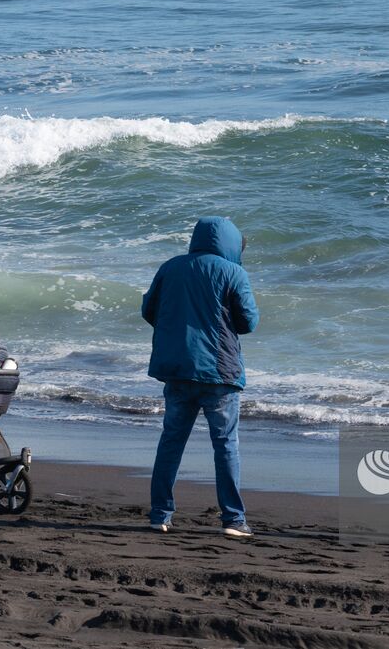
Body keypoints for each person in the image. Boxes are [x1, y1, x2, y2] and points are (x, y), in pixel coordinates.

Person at [142, 216, 259, 538]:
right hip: (220, 374)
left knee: (171, 442)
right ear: (232, 244)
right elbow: (248, 322)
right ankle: (233, 520)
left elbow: (149, 310)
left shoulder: (171, 267)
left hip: (178, 369)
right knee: (225, 446)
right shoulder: (234, 272)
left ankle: (160, 514)